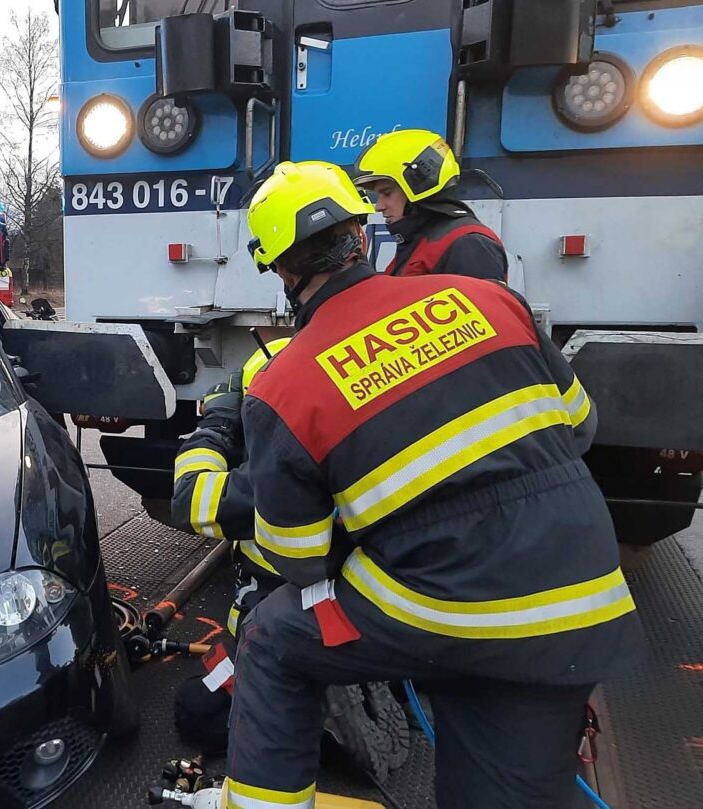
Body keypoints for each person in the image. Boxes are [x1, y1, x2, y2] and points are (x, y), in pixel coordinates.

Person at [179, 161, 641, 809]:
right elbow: (580, 425)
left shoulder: (286, 385)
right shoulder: (492, 302)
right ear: (363, 238)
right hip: (580, 601)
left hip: (440, 609)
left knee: (275, 636)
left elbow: (301, 558)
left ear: (281, 270)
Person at [352, 129, 507, 282]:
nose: (378, 206)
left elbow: (484, 306)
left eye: (386, 193)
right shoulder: (419, 242)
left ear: (417, 185)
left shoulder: (469, 245)